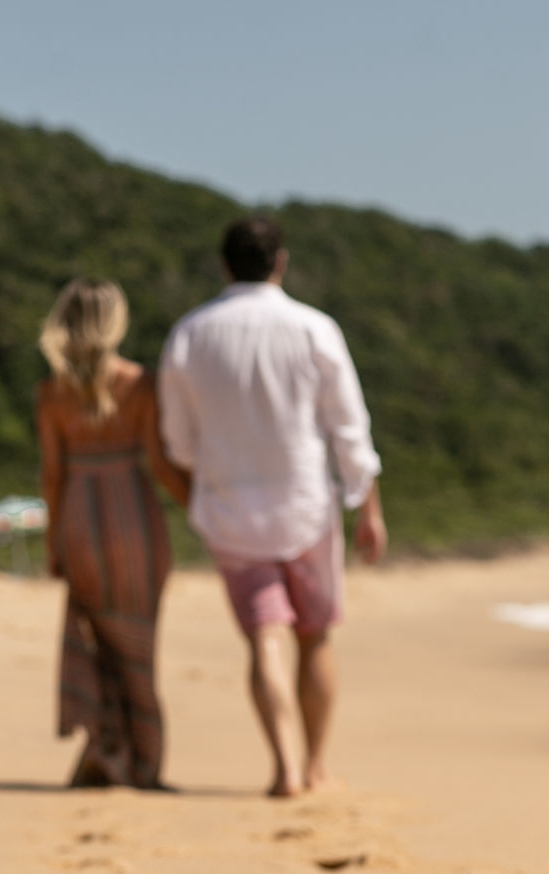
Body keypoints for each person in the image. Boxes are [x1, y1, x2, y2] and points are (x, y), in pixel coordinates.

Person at [158, 216, 387, 797]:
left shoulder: (190, 334)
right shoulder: (315, 329)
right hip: (305, 507)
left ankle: (282, 765)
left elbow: (177, 442)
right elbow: (349, 428)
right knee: (314, 637)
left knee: (265, 638)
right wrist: (370, 509)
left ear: (224, 264)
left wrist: (201, 495)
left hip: (230, 514)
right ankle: (314, 767)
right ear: (280, 263)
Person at [36, 278, 189, 788]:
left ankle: (105, 749)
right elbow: (161, 463)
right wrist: (199, 507)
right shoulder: (141, 384)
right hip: (133, 515)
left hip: (81, 514)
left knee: (96, 637)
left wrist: (54, 541)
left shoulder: (52, 393)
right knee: (139, 644)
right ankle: (144, 764)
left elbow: (53, 476)